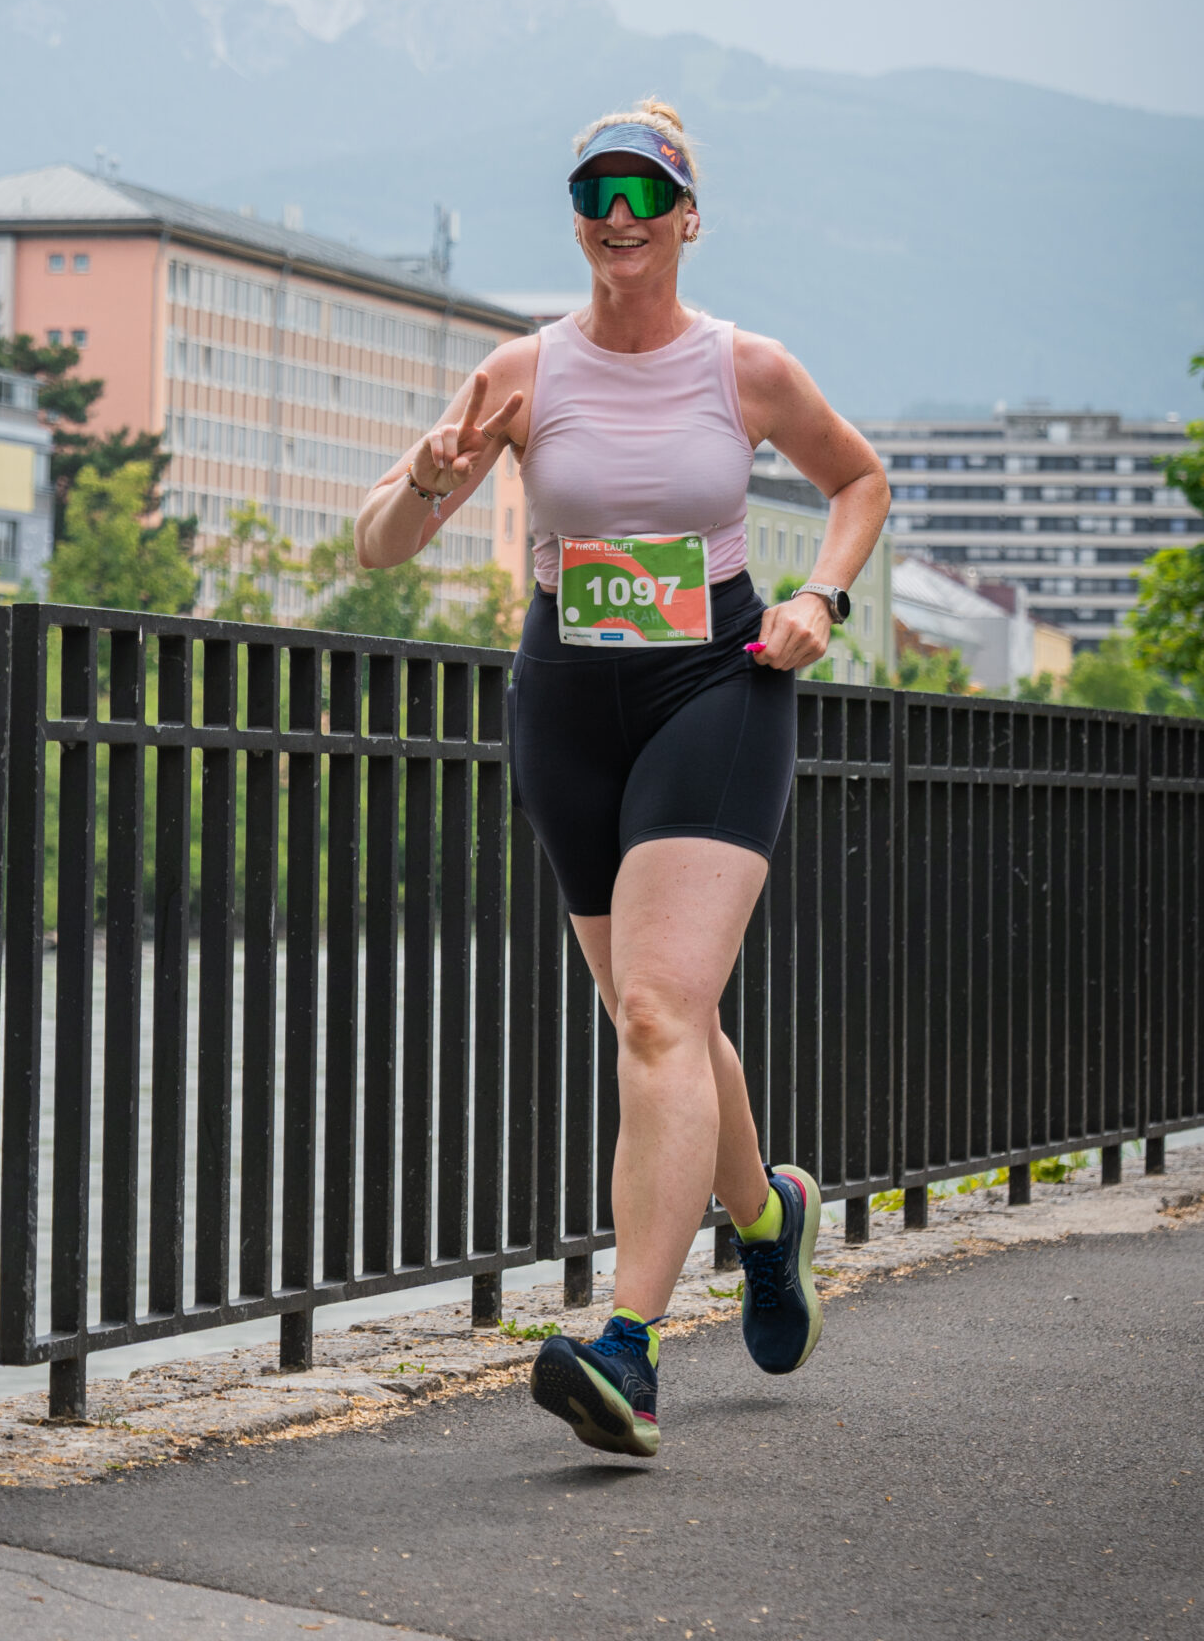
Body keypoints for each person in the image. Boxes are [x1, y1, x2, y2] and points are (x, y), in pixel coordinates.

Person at [353, 99, 889, 1462]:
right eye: (598, 189)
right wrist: (427, 480)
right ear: (582, 218)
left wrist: (823, 599)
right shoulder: (525, 372)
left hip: (717, 683)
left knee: (658, 1009)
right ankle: (766, 1220)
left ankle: (628, 1352)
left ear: (688, 218)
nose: (622, 212)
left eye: (647, 190)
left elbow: (860, 479)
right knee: (659, 1019)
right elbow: (378, 548)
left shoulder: (748, 370)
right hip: (569, 698)